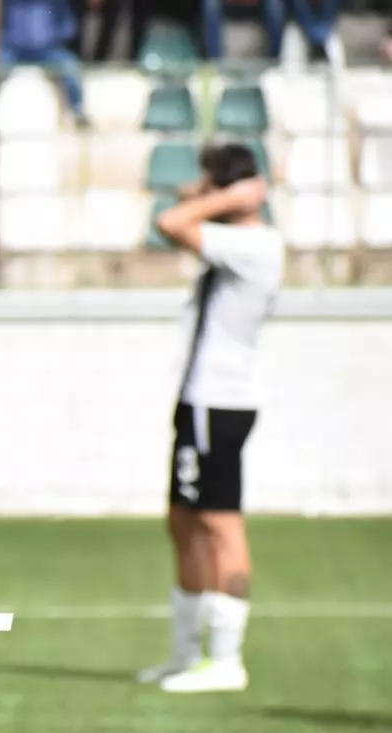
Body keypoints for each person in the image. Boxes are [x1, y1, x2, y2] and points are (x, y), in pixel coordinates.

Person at [140, 144, 284, 694]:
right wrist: (216, 197)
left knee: (221, 525)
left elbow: (170, 223)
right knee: (183, 522)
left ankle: (226, 660)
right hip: (199, 400)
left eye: (208, 184)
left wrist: (223, 199)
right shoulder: (235, 241)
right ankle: (185, 654)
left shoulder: (255, 243)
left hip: (220, 404)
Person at [0, 0, 90, 128]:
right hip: (15, 51)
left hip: (48, 51)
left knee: (71, 66)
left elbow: (68, 25)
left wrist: (55, 37)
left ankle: (78, 112)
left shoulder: (56, 3)